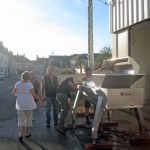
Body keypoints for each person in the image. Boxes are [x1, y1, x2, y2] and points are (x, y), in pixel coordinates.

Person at [12, 71, 41, 142]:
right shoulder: (30, 84)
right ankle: (27, 133)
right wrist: (41, 99)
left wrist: (19, 95)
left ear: (22, 76)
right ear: (28, 77)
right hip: (29, 105)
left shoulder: (17, 84)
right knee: (28, 119)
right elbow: (34, 95)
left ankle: (20, 134)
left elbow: (13, 94)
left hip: (20, 105)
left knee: (20, 120)